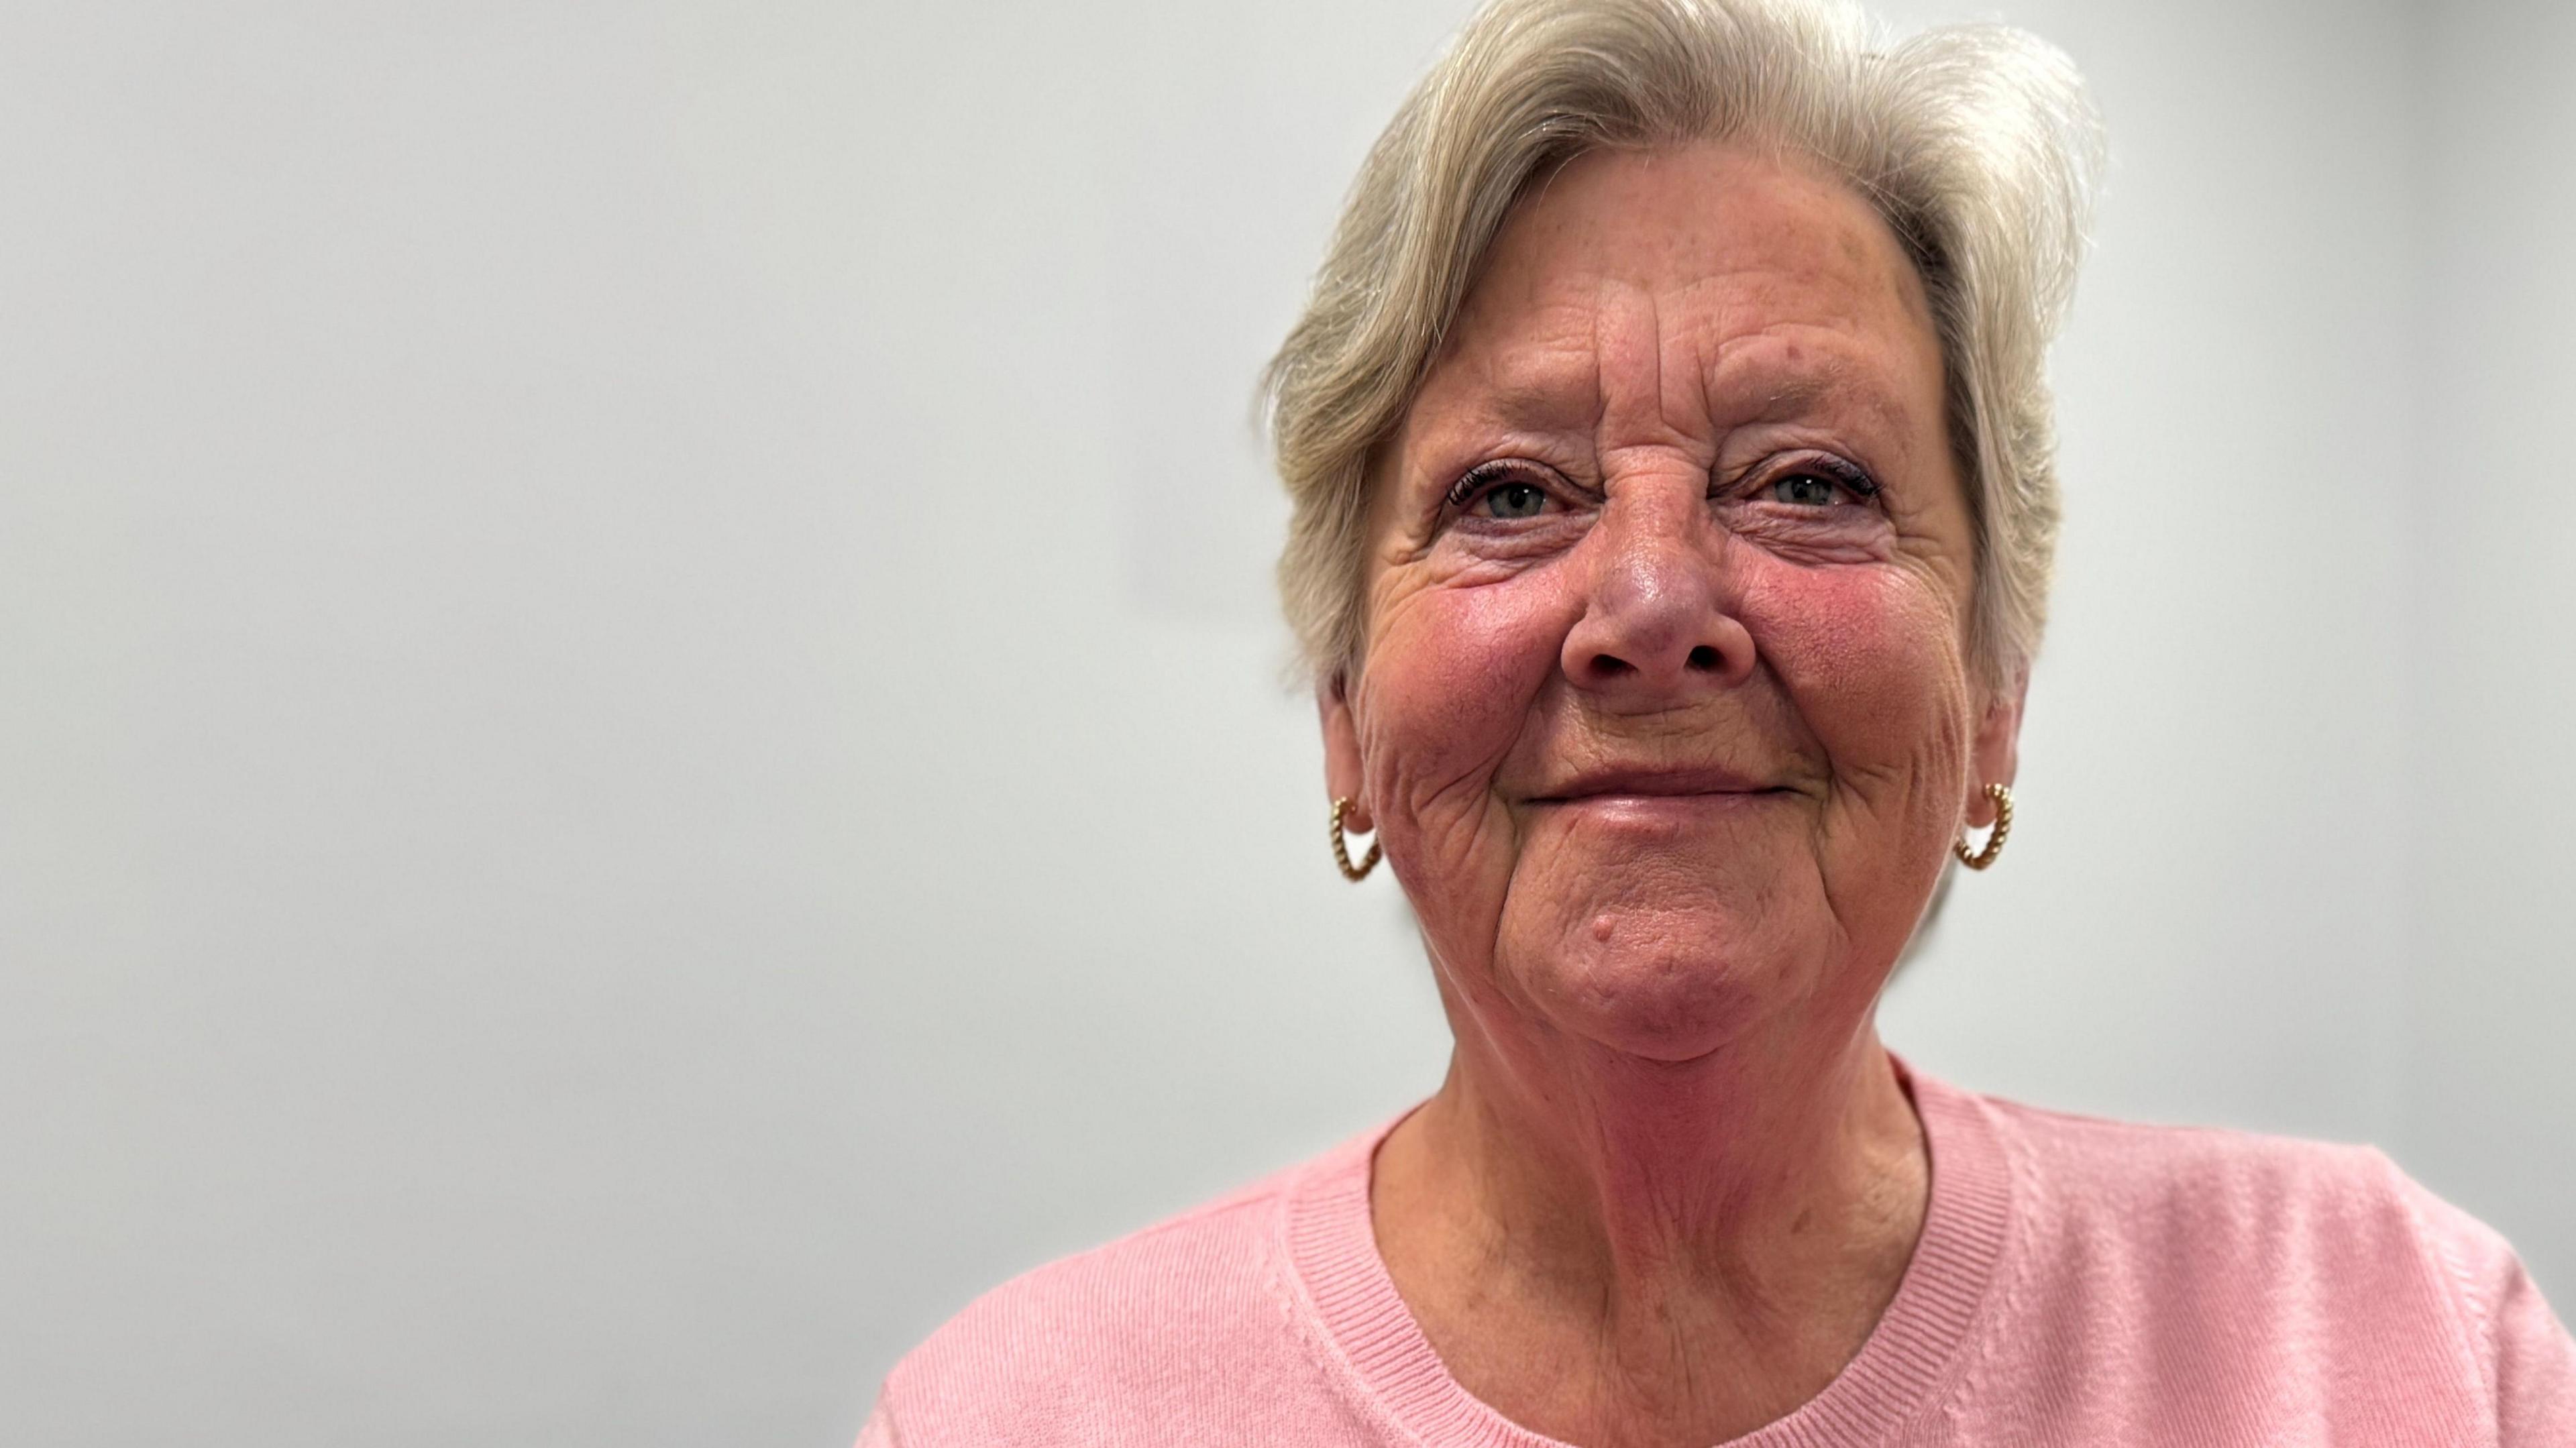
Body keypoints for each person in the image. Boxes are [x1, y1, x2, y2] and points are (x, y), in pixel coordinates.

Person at [859, 0, 2576, 1441]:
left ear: (1993, 695)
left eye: (1810, 481)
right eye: (1514, 494)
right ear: (1344, 718)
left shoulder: (2400, 1349)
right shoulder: (1017, 1420)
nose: (1655, 611)